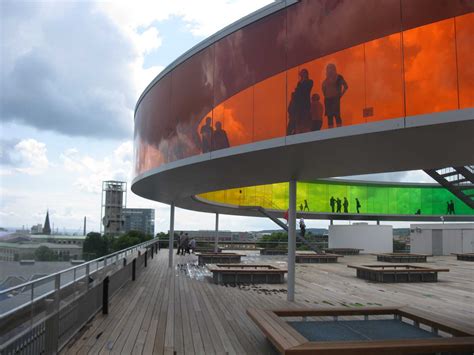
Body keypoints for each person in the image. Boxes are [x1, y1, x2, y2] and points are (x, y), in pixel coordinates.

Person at [287, 69, 313, 135]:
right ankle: (298, 132)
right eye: (301, 73)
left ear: (306, 74)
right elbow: (298, 92)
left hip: (305, 105)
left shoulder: (309, 81)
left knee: (305, 120)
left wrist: (302, 82)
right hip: (299, 106)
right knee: (298, 121)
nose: (302, 75)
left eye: (303, 73)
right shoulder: (299, 83)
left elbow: (305, 89)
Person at [322, 63, 348, 128]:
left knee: (337, 115)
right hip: (328, 100)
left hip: (335, 99)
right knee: (329, 117)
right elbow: (324, 90)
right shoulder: (326, 80)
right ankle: (331, 132)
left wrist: (340, 95)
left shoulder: (338, 77)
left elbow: (346, 86)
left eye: (331, 68)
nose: (329, 70)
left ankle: (338, 131)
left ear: (334, 69)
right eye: (328, 68)